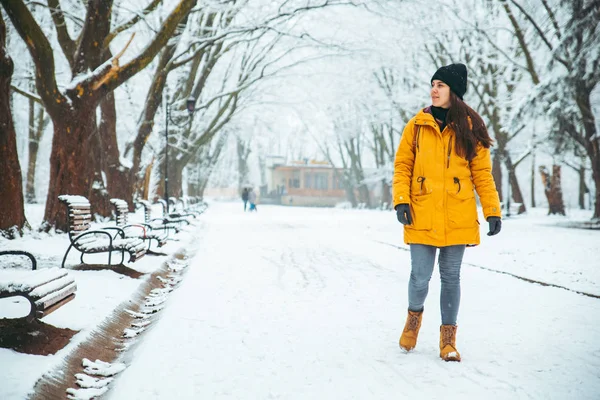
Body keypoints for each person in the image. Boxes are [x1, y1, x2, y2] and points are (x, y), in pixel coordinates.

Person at [392, 63, 502, 362]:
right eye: (433, 84)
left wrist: (492, 210)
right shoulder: (416, 125)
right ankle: (412, 324)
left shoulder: (471, 129)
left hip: (458, 213)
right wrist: (402, 200)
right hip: (422, 211)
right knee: (420, 276)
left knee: (451, 277)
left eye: (440, 84)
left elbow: (482, 174)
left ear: (454, 91)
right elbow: (402, 165)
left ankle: (448, 342)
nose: (434, 89)